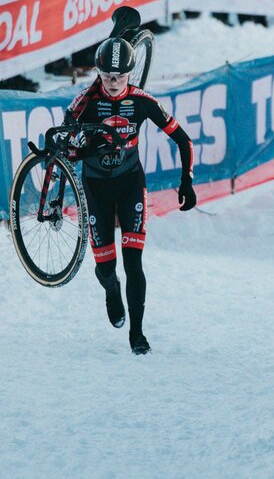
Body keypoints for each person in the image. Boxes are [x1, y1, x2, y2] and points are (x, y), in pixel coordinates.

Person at [65, 36, 198, 350]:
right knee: (106, 267)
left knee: (133, 261)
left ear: (130, 74)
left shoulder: (142, 101)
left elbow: (183, 139)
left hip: (130, 185)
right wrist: (85, 146)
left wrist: (186, 180)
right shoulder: (84, 101)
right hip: (96, 187)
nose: (113, 83)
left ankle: (137, 334)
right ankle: (111, 289)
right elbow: (65, 148)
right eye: (107, 76)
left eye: (120, 76)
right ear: (98, 72)